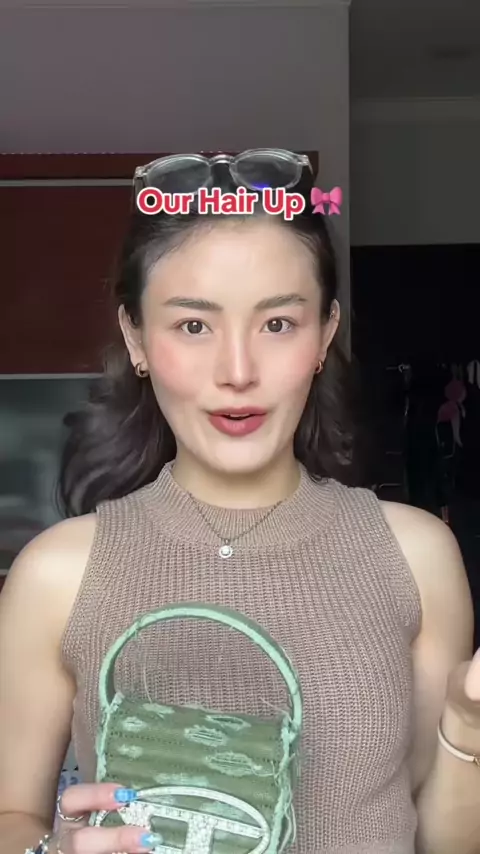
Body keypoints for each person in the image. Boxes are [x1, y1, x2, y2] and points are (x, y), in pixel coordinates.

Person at [0, 149, 479, 854]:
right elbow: (12, 814)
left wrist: (467, 722)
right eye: (193, 326)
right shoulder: (57, 573)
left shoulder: (415, 555)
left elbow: (444, 841)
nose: (238, 371)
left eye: (277, 323)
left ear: (325, 334)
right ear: (136, 336)